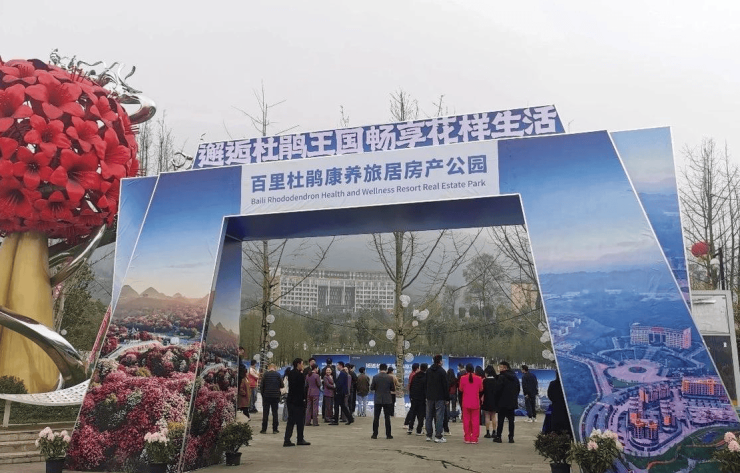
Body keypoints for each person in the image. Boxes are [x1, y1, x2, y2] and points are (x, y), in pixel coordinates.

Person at [284, 358, 311, 447]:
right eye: (302, 364)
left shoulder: (291, 373)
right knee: (299, 421)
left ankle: (287, 439)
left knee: (291, 421)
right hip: (298, 401)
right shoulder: (299, 375)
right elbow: (301, 388)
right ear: (298, 364)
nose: (303, 366)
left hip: (291, 400)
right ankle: (299, 439)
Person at [493, 361, 520, 444]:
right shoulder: (515, 377)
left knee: (500, 420)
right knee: (511, 421)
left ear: (505, 368)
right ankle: (511, 437)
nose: (499, 369)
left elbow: (497, 390)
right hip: (512, 402)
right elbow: (518, 389)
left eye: (501, 367)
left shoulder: (501, 377)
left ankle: (498, 437)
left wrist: (496, 400)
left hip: (502, 402)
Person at [425, 354, 449, 443]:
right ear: (440, 361)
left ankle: (428, 435)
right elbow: (445, 386)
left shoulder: (428, 371)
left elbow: (425, 383)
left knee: (428, 416)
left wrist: (426, 394)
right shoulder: (442, 372)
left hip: (429, 396)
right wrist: (447, 398)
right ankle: (438, 436)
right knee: (439, 417)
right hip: (440, 397)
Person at [458, 363, 484, 444]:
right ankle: (474, 438)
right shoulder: (479, 378)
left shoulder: (462, 378)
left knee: (466, 421)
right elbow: (481, 389)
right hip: (475, 402)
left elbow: (461, 389)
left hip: (466, 402)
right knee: (475, 421)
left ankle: (467, 437)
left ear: (466, 369)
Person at [370, 363, 395, 439]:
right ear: (386, 369)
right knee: (387, 417)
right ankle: (388, 434)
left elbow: (372, 388)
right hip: (387, 399)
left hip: (378, 399)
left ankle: (375, 434)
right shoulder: (390, 378)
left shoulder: (375, 377)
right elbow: (393, 388)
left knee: (376, 417)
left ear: (379, 369)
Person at [546, 370, 572, 436]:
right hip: (566, 409)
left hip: (556, 408)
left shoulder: (552, 384)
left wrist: (555, 401)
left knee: (556, 430)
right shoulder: (568, 385)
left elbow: (550, 395)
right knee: (566, 430)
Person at [259, 364, 283, 434]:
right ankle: (275, 429)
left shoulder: (265, 375)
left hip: (266, 396)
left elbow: (261, 386)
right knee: (275, 413)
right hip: (275, 396)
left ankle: (264, 429)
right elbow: (282, 385)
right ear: (275, 368)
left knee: (265, 413)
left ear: (269, 368)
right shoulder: (278, 375)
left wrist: (263, 395)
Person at [407, 362, 427, 435]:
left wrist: (411, 396)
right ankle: (419, 430)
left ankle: (410, 428)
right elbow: (426, 388)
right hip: (422, 398)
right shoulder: (426, 377)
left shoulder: (415, 376)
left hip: (414, 397)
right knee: (421, 414)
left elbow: (411, 386)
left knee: (413, 413)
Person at [481, 365, 498, 438]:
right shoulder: (496, 380)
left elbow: (482, 391)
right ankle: (494, 431)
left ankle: (487, 432)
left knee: (487, 416)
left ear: (487, 373)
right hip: (494, 400)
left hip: (486, 400)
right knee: (494, 416)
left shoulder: (485, 381)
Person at [404, 363, 420, 428]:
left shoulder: (412, 374)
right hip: (414, 394)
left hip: (412, 393)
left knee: (415, 409)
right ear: (417, 368)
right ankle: (406, 422)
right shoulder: (414, 375)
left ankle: (420, 423)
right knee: (413, 409)